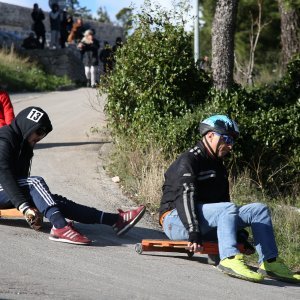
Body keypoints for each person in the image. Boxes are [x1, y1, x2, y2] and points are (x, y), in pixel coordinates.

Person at [159, 115, 300, 284]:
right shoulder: (189, 160)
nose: (230, 146)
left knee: (259, 209)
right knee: (227, 208)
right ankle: (229, 257)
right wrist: (193, 231)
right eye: (226, 139)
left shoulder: (219, 166)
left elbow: (223, 203)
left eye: (232, 141)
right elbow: (184, 197)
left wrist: (239, 235)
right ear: (210, 135)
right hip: (175, 220)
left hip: (205, 221)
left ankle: (270, 262)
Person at [0, 106, 146, 245]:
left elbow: (21, 180)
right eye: (38, 132)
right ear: (27, 126)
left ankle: (115, 220)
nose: (40, 137)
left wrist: (36, 206)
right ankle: (60, 227)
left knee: (50, 200)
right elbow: (4, 173)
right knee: (35, 183)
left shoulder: (25, 146)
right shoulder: (5, 138)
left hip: (7, 190)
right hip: (3, 186)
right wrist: (25, 208)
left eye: (43, 134)